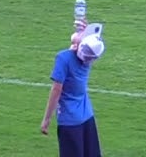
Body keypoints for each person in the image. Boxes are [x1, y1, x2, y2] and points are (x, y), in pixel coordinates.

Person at [40, 20, 105, 157]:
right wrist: (83, 31)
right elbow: (81, 45)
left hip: (69, 122)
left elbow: (56, 90)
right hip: (87, 117)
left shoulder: (63, 58)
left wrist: (47, 119)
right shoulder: (86, 64)